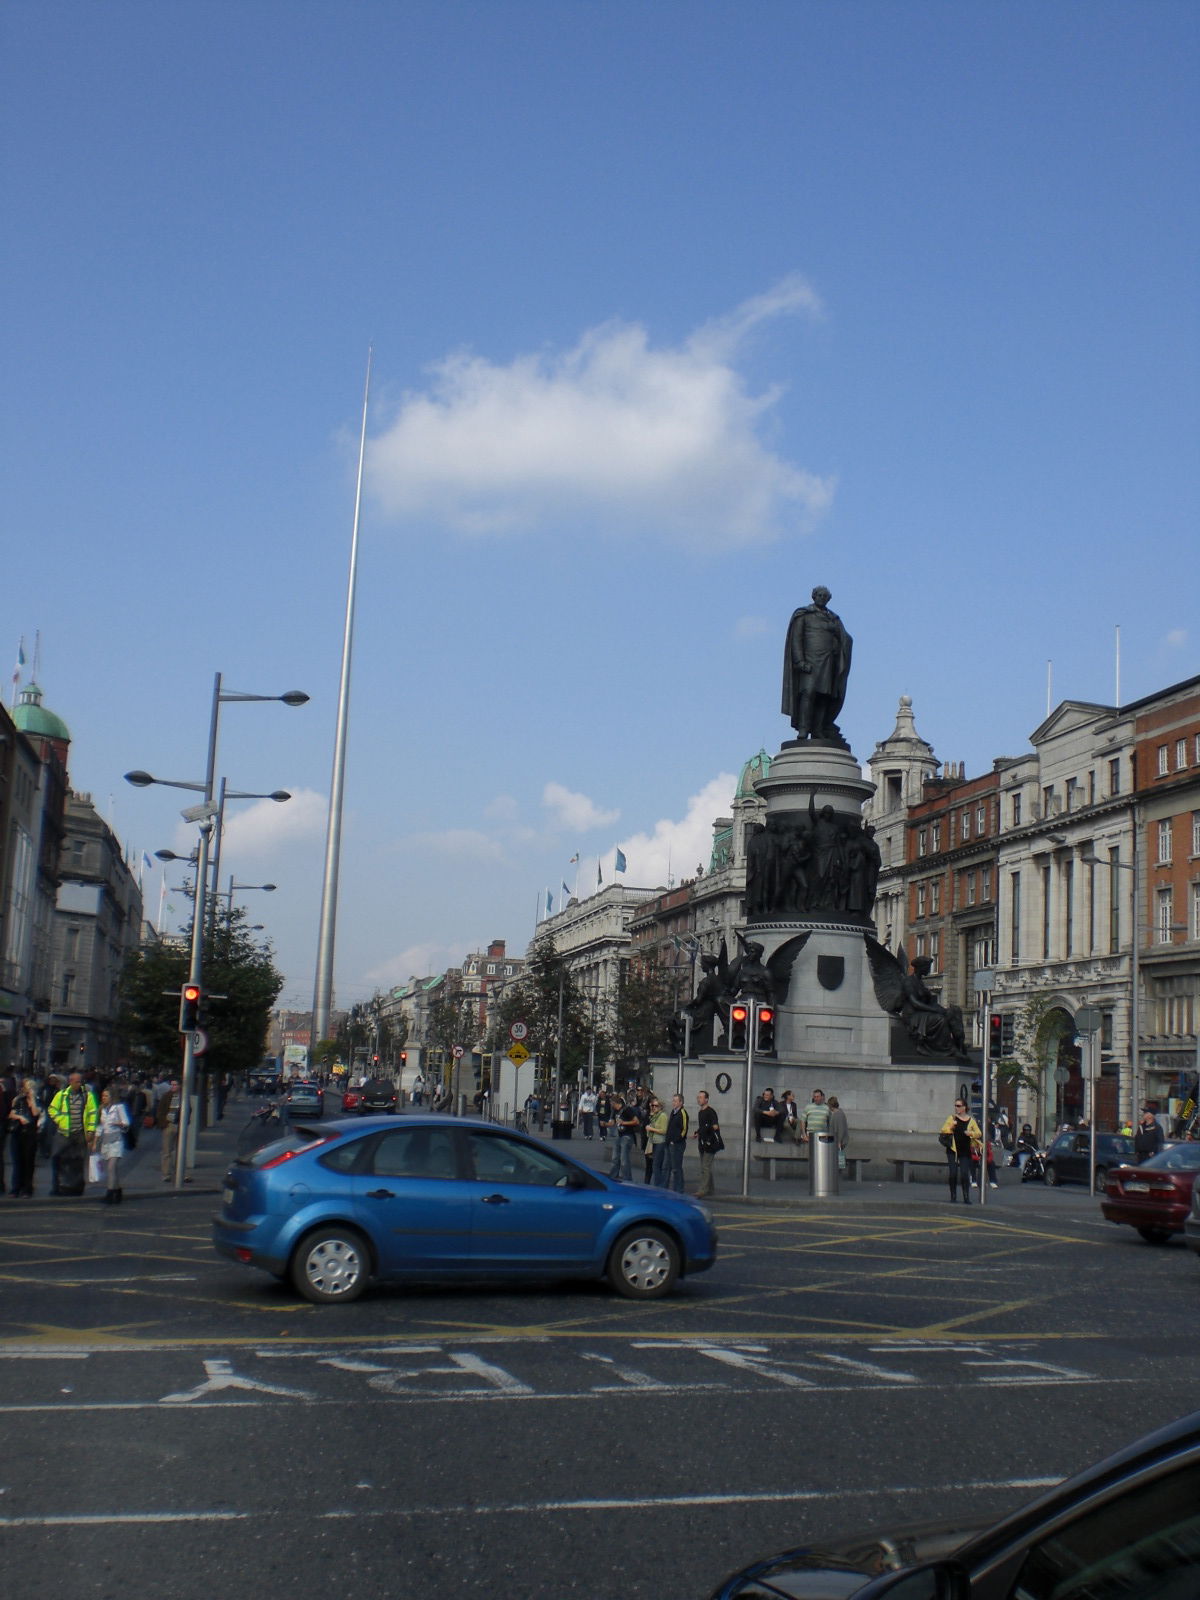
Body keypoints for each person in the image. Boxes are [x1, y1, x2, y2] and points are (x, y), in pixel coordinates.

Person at [781, 584, 853, 741]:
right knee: (808, 694)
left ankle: (818, 729)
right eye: (819, 595)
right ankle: (803, 728)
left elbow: (846, 638)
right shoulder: (804, 615)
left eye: (825, 596)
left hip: (828, 663)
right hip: (810, 663)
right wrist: (800, 661)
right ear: (814, 596)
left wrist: (840, 643)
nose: (822, 598)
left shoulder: (833, 619)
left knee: (824, 697)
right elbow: (796, 639)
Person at [48, 1069, 98, 1196]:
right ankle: (57, 1187)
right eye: (77, 1082)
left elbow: (93, 1113)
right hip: (63, 1133)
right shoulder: (62, 1095)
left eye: (81, 1082)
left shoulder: (87, 1096)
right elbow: (52, 1110)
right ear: (71, 1082)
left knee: (79, 1160)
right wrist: (60, 1120)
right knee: (57, 1158)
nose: (80, 1084)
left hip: (79, 1133)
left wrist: (91, 1131)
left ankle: (77, 1187)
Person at [940, 1096, 982, 1203]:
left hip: (965, 1149)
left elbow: (978, 1133)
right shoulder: (952, 1118)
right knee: (953, 1173)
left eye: (958, 1106)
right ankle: (953, 1196)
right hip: (953, 1149)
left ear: (964, 1107)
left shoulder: (971, 1120)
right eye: (955, 1105)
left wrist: (971, 1133)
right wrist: (951, 1128)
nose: (956, 1108)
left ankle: (966, 1197)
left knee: (964, 1173)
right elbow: (943, 1129)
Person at [95, 1088, 130, 1204]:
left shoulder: (118, 1108)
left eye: (106, 1096)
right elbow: (100, 1127)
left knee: (111, 1167)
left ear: (111, 1097)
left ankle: (109, 1194)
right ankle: (118, 1191)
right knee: (112, 1170)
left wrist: (118, 1123)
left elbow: (126, 1123)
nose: (103, 1098)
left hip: (116, 1140)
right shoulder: (101, 1109)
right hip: (105, 1141)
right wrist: (95, 1142)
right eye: (103, 1096)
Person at [7, 1078, 41, 1196]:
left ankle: (27, 1188)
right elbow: (11, 1113)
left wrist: (32, 1100)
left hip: (30, 1134)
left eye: (30, 1087)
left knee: (28, 1162)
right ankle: (16, 1187)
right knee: (18, 1162)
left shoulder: (37, 1100)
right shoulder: (18, 1099)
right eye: (26, 1087)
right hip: (18, 1133)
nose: (27, 1090)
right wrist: (20, 1117)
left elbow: (36, 1113)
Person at [694, 1089, 722, 1198]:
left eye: (701, 1097)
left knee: (705, 1167)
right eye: (698, 1097)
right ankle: (710, 1189)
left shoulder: (710, 1111)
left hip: (710, 1143)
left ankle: (703, 1190)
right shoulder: (701, 1112)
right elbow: (703, 1126)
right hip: (702, 1142)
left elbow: (715, 1126)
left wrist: (706, 1129)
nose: (699, 1099)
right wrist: (698, 1132)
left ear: (706, 1099)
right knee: (706, 1166)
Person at [157, 1077, 183, 1182]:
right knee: (167, 1151)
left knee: (180, 1150)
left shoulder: (183, 1097)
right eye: (172, 1084)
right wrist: (164, 1123)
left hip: (179, 1125)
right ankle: (166, 1173)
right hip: (169, 1124)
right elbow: (160, 1110)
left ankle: (179, 1172)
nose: (173, 1086)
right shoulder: (166, 1096)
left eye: (175, 1084)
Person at [662, 1094, 689, 1193]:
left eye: (675, 1101)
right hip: (669, 1143)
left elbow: (684, 1129)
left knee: (676, 1167)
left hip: (677, 1145)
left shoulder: (682, 1113)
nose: (673, 1103)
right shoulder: (673, 1112)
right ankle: (664, 1187)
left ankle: (679, 1189)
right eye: (673, 1100)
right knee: (666, 1166)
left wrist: (675, 1140)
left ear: (681, 1102)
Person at [609, 1096, 639, 1183]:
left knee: (624, 1159)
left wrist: (624, 1122)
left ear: (614, 1103)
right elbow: (613, 1123)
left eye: (611, 1103)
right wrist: (606, 1124)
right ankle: (613, 1176)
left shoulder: (627, 1109)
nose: (610, 1105)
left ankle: (627, 1179)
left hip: (627, 1135)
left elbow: (636, 1121)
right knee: (615, 1157)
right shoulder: (615, 1110)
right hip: (619, 1134)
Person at [645, 1097, 668, 1184]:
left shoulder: (662, 1116)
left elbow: (664, 1130)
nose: (653, 1107)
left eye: (656, 1106)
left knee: (656, 1165)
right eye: (652, 1105)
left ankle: (658, 1185)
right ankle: (657, 1183)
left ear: (660, 1107)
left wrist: (651, 1129)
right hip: (653, 1141)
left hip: (660, 1142)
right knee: (654, 1165)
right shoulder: (655, 1115)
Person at [827, 1095, 849, 1171]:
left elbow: (840, 1129)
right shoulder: (837, 1113)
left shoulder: (838, 1114)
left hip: (838, 1140)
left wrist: (839, 1141)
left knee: (837, 1157)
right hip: (836, 1140)